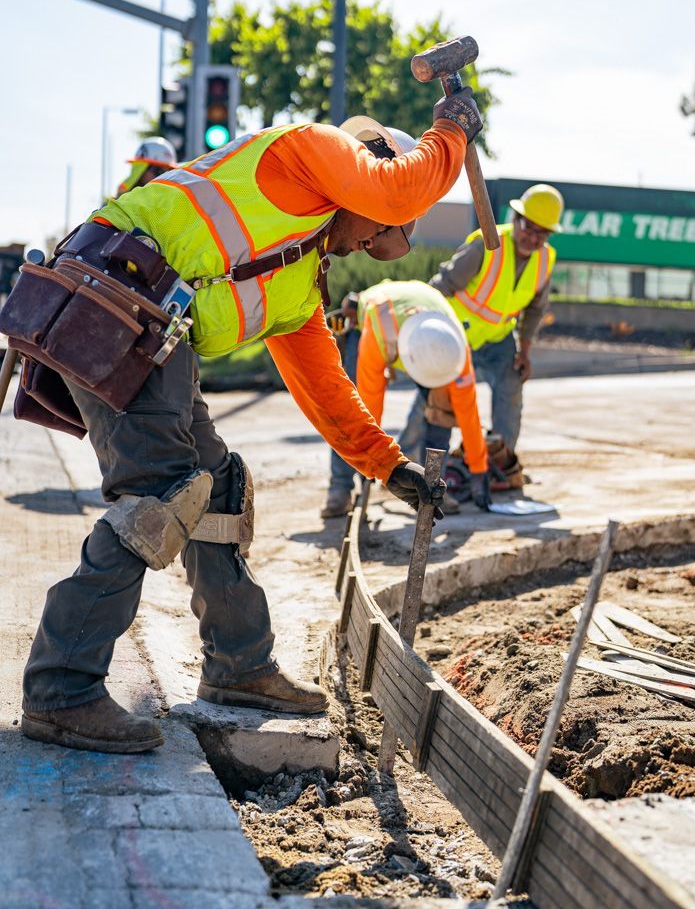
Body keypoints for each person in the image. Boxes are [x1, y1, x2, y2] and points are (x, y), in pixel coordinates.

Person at [10, 86, 482, 754]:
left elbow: (328, 393)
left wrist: (391, 468)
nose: (371, 240)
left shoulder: (298, 278)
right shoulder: (310, 151)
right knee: (164, 491)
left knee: (217, 484)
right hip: (112, 294)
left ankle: (239, 667)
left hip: (147, 324)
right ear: (370, 176)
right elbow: (401, 190)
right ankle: (62, 689)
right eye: (380, 227)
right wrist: (452, 131)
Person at [421, 183, 564, 473]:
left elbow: (535, 310)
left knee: (511, 386)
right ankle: (415, 469)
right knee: (435, 405)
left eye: (542, 233)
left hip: (497, 340)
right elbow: (441, 286)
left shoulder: (544, 259)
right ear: (516, 219)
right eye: (529, 227)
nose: (533, 238)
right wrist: (423, 332)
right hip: (457, 338)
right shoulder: (487, 243)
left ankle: (499, 462)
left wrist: (524, 352)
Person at [321, 278, 491, 518]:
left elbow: (469, 414)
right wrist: (369, 460)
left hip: (425, 320)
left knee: (442, 411)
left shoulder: (453, 350)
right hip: (370, 318)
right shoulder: (379, 333)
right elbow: (368, 408)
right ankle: (340, 489)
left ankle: (433, 485)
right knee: (349, 411)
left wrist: (479, 470)